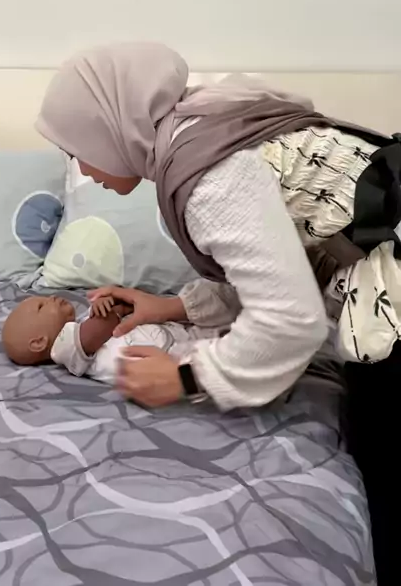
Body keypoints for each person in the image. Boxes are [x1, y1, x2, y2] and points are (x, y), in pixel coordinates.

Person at [36, 42, 401, 584]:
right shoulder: (211, 123)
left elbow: (291, 317)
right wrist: (172, 306)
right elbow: (281, 260)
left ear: (107, 128)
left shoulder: (208, 172)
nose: (83, 171)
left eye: (76, 150)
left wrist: (186, 377)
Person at [2, 293, 220, 391]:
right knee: (212, 360)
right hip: (168, 360)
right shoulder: (64, 349)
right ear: (39, 342)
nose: (50, 297)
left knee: (216, 326)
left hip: (173, 335)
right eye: (41, 306)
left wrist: (119, 305)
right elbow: (102, 326)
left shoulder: (81, 328)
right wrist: (109, 307)